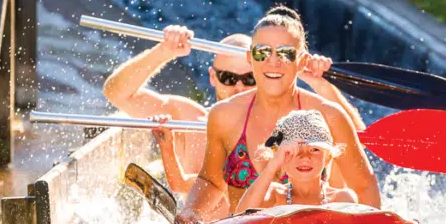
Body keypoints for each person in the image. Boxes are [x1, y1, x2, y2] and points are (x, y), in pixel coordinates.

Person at [103, 23, 365, 200]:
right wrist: (163, 52)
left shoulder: (299, 124)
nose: (239, 87)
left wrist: (320, 83)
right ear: (213, 78)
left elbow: (358, 139)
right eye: (228, 78)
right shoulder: (190, 119)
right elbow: (116, 93)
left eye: (249, 79)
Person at [177, 5, 380, 224]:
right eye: (262, 52)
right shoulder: (224, 114)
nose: (273, 62)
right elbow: (211, 181)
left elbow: (364, 187)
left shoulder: (329, 115)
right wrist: (191, 211)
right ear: (250, 57)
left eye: (285, 53)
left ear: (301, 61)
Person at [236, 110, 357, 212]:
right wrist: (272, 165)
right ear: (280, 157)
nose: (304, 157)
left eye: (314, 149)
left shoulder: (342, 199)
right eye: (293, 150)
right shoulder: (273, 195)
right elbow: (239, 221)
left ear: (327, 157)